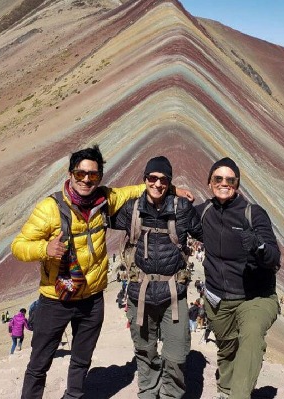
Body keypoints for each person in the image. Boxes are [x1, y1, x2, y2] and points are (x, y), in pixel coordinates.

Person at [12, 146, 191, 399]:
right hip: (56, 298)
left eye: (93, 175)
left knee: (81, 360)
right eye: (81, 173)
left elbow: (137, 189)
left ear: (100, 177)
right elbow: (18, 246)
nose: (86, 179)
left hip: (92, 298)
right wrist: (44, 248)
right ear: (71, 173)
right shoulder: (49, 208)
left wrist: (171, 189)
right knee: (39, 362)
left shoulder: (104, 199)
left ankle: (73, 396)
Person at [112, 156, 202, 398]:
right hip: (139, 293)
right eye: (152, 178)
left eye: (164, 180)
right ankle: (148, 394)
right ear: (145, 180)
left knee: (177, 355)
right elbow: (105, 207)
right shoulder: (132, 209)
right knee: (144, 351)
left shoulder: (181, 209)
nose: (158, 184)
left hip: (173, 294)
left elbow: (205, 232)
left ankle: (171, 395)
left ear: (169, 183)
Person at [196, 157, 281, 399]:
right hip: (219, 299)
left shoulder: (253, 214)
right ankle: (224, 390)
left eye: (230, 179)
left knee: (251, 336)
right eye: (218, 179)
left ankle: (239, 395)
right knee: (227, 348)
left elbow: (274, 257)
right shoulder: (204, 213)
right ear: (210, 183)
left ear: (237, 184)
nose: (224, 183)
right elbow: (174, 216)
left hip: (256, 296)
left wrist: (259, 246)